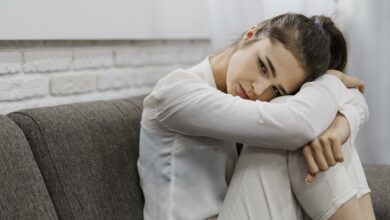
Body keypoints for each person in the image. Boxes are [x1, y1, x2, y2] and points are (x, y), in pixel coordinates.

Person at [137, 13, 376, 220]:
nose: (259, 91)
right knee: (298, 130)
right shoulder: (176, 92)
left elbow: (353, 100)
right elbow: (298, 125)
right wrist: (331, 80)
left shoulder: (250, 104)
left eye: (276, 89)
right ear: (250, 34)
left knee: (320, 130)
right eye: (263, 66)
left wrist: (341, 124)